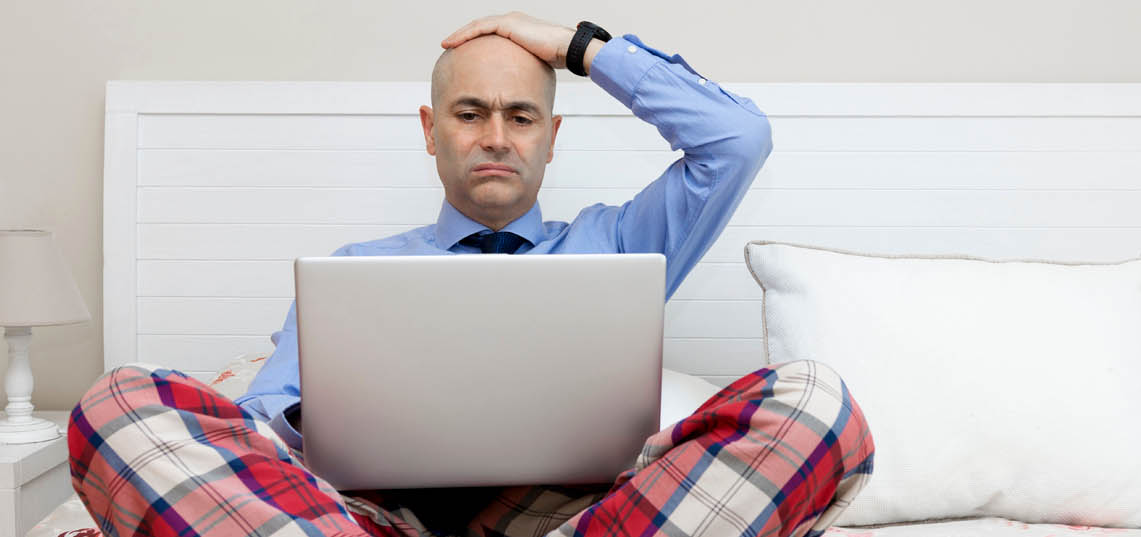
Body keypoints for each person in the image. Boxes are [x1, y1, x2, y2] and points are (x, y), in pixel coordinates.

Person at [68, 12, 874, 537]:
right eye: (469, 112)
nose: (496, 135)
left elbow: (736, 138)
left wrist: (578, 49)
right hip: (373, 519)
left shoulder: (622, 243)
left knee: (814, 401)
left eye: (520, 116)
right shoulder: (356, 272)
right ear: (431, 130)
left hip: (584, 514)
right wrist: (339, 416)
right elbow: (260, 420)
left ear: (551, 137)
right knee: (117, 402)